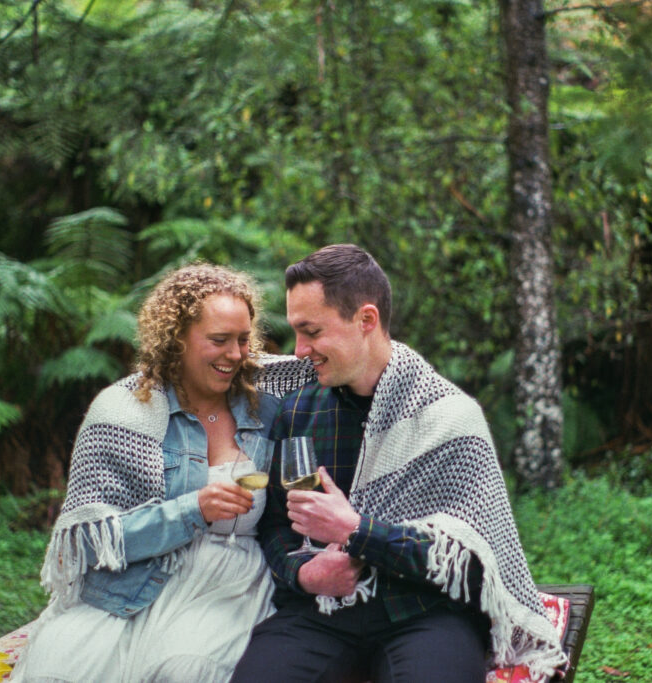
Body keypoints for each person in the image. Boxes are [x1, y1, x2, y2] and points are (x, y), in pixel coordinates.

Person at [231, 244, 568, 683]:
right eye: (296, 332)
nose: (299, 350)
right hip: (322, 612)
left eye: (311, 331)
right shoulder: (298, 409)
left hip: (426, 613)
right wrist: (306, 573)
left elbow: (471, 565)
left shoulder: (449, 419)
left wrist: (356, 531)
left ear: (366, 320)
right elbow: (275, 524)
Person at [10, 263, 312, 682]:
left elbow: (344, 359)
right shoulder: (125, 412)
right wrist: (193, 509)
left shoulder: (270, 403)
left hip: (231, 585)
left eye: (244, 340)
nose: (237, 355)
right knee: (65, 663)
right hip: (138, 579)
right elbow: (97, 543)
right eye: (219, 340)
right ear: (176, 340)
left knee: (185, 669)